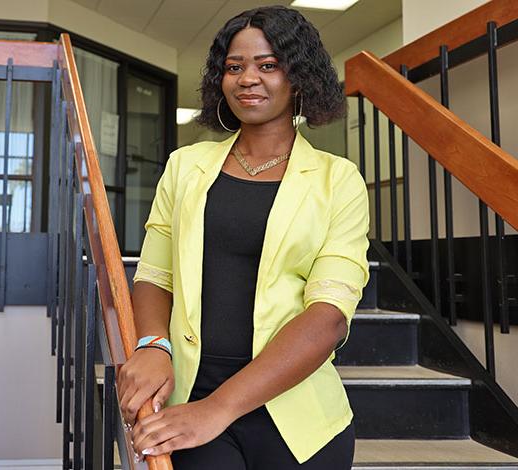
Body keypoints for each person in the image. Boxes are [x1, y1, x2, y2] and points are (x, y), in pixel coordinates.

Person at [117, 6, 370, 469]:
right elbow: (154, 274)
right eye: (235, 67)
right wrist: (153, 346)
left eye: (268, 65)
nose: (247, 78)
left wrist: (216, 411)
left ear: (300, 78)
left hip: (298, 415)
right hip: (189, 394)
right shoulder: (185, 167)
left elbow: (329, 316)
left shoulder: (339, 180)